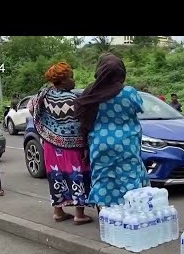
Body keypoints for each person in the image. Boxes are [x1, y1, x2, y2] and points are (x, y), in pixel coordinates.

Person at [74, 53, 150, 209]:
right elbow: (140, 107)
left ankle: (106, 215)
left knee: (103, 178)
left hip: (99, 142)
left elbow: (83, 118)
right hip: (127, 143)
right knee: (129, 176)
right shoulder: (128, 92)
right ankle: (131, 213)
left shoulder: (91, 91)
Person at [28, 62, 92, 224]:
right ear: (63, 80)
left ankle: (58, 211)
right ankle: (79, 214)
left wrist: (48, 124)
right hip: (73, 146)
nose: (74, 80)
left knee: (56, 175)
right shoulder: (74, 99)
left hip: (50, 144)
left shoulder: (44, 95)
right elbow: (82, 123)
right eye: (71, 77)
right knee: (77, 175)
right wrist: (85, 144)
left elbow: (31, 107)